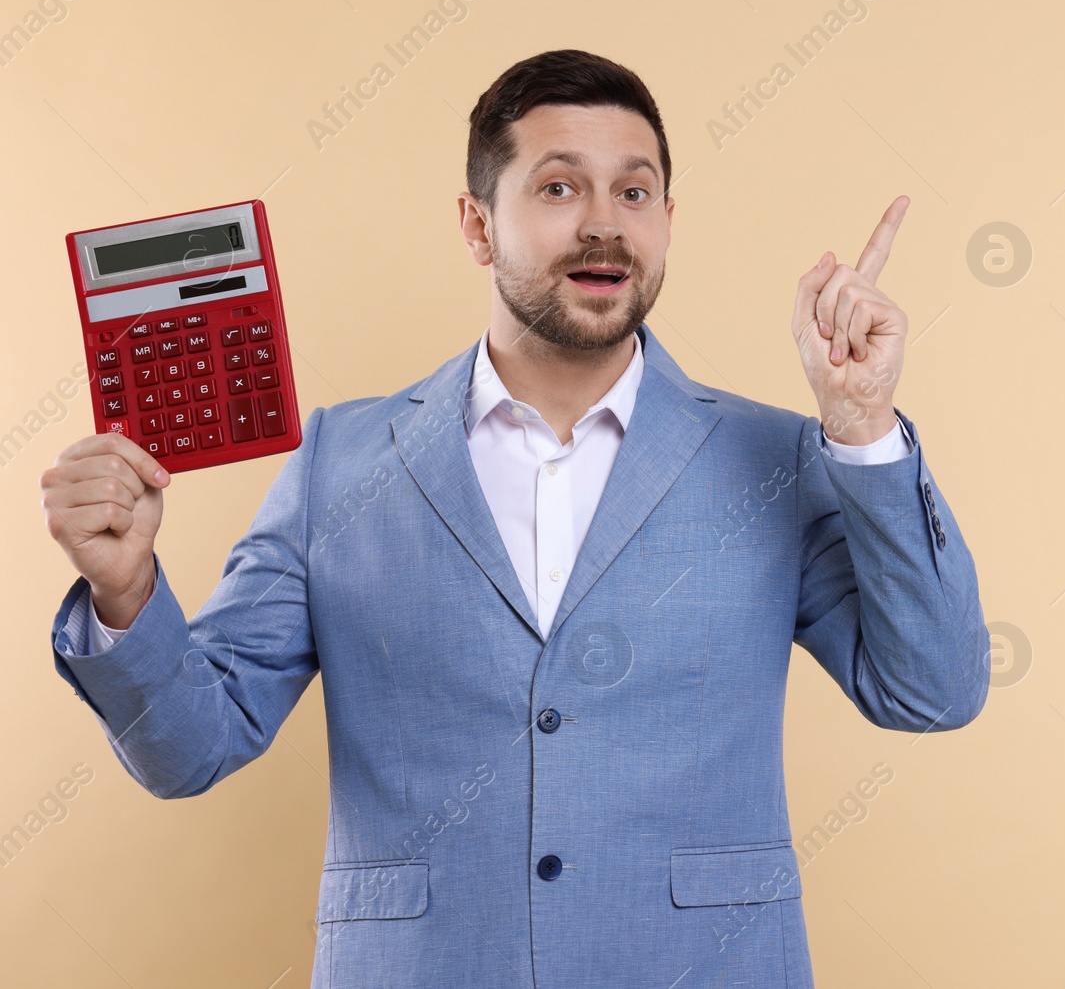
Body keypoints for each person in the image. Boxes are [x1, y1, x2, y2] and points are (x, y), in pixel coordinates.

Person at [40, 48, 988, 988]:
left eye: (634, 193)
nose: (603, 228)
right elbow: (193, 746)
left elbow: (933, 690)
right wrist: (125, 591)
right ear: (477, 224)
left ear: (667, 219)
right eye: (558, 188)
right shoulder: (341, 463)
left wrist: (863, 430)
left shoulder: (774, 458)